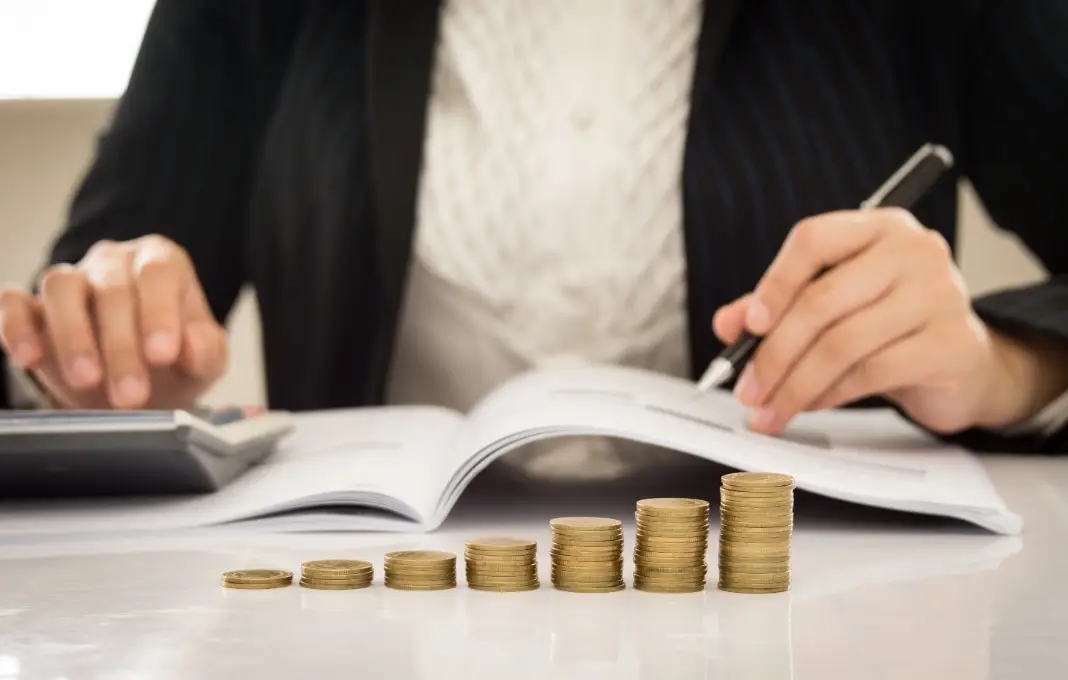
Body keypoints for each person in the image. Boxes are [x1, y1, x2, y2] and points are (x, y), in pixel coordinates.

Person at [1, 0, 1066, 472]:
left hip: (824, 624)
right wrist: (96, 362)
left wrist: (1004, 365)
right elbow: (76, 308)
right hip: (359, 630)